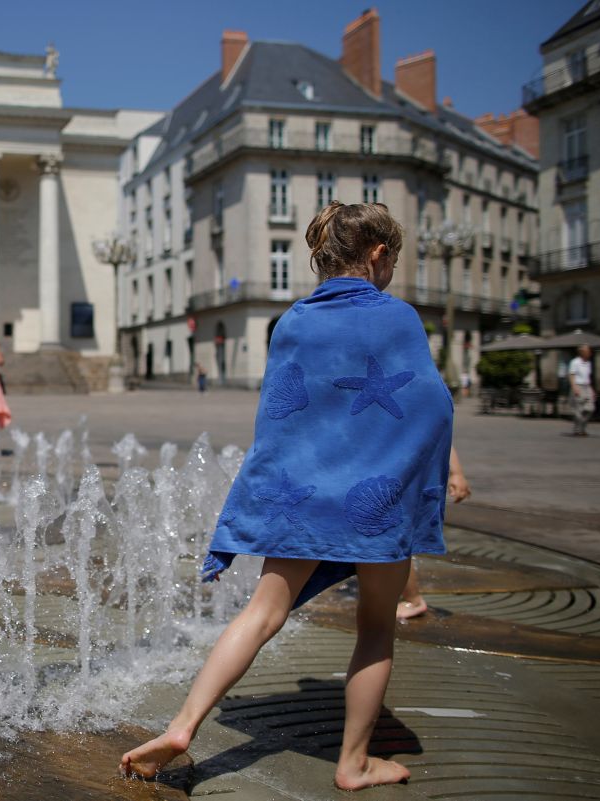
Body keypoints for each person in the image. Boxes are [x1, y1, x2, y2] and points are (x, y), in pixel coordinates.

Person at [120, 202, 452, 791]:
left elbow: (283, 418)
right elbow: (430, 406)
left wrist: (266, 496)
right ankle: (353, 763)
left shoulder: (293, 321)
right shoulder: (399, 318)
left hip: (304, 498)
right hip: (374, 506)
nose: (393, 271)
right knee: (376, 626)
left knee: (261, 613)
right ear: (378, 255)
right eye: (393, 260)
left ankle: (181, 725)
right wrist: (430, 472)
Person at [396, 446, 470, 620]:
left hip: (398, 477)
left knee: (392, 544)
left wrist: (456, 473)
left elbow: (442, 429)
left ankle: (413, 599)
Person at [569, 344, 595, 437]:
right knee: (578, 409)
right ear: (582, 352)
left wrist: (591, 389)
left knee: (591, 408)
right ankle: (579, 429)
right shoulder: (575, 362)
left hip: (587, 386)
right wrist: (574, 387)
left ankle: (580, 427)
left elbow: (588, 377)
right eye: (588, 351)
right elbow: (572, 375)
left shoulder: (588, 363)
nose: (590, 353)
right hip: (578, 386)